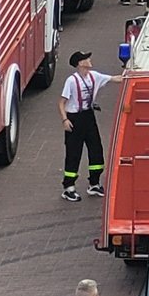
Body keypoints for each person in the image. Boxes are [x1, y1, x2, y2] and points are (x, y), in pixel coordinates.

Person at [59, 50, 123, 202]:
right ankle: (69, 188)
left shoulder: (94, 76)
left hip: (88, 116)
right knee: (74, 152)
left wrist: (129, 75)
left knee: (96, 148)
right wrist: (65, 120)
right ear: (80, 63)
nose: (89, 60)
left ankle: (94, 183)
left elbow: (114, 78)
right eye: (86, 59)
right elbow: (61, 102)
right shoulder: (71, 81)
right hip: (74, 118)